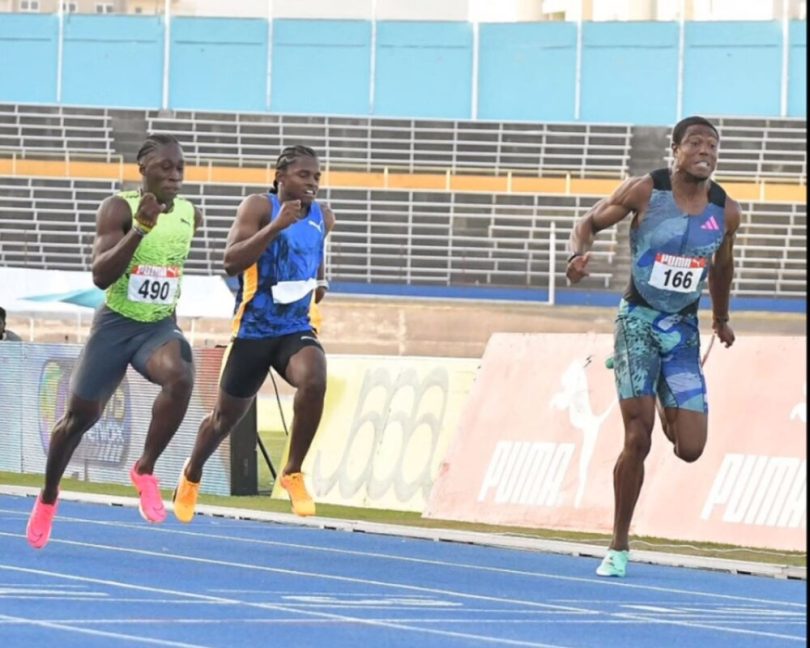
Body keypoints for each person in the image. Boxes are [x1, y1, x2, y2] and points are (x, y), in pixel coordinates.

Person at [566, 116, 739, 578]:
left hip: (682, 330)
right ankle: (619, 546)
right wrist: (576, 256)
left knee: (690, 447)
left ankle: (660, 387)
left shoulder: (725, 211)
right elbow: (587, 222)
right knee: (637, 437)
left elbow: (722, 267)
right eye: (696, 143)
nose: (706, 151)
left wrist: (720, 318)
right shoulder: (645, 191)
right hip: (638, 321)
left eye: (713, 146)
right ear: (676, 150)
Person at [26, 134, 203, 549]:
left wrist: (168, 320)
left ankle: (145, 470)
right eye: (165, 167)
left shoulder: (190, 214)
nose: (175, 175)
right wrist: (140, 229)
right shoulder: (117, 208)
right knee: (79, 418)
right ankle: (49, 498)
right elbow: (102, 275)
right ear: (143, 170)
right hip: (115, 326)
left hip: (157, 327)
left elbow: (167, 274)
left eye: (180, 167)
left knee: (180, 377)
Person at [173, 144, 335, 521]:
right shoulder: (259, 207)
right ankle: (191, 473)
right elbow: (230, 262)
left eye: (316, 177)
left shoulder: (323, 216)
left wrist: (320, 280)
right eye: (303, 175)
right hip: (253, 331)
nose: (311, 183)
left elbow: (315, 253)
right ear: (280, 177)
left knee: (314, 378)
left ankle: (293, 471)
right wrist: (277, 226)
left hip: (294, 327)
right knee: (223, 420)